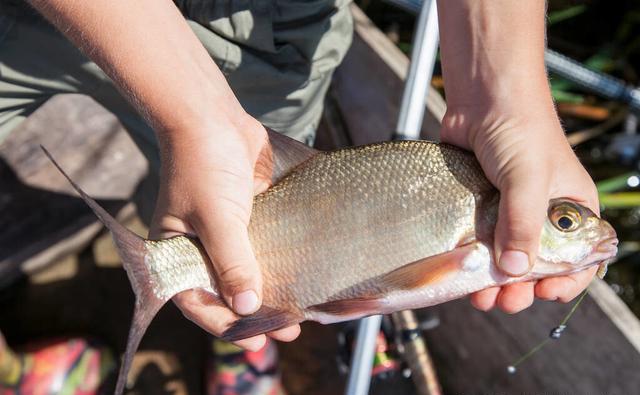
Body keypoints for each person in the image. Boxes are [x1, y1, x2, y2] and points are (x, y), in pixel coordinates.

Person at [0, 0, 599, 392]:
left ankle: (241, 319)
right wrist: (193, 120)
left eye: (565, 222)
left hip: (256, 27)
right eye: (566, 221)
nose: (581, 228)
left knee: (233, 193)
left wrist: (504, 94)